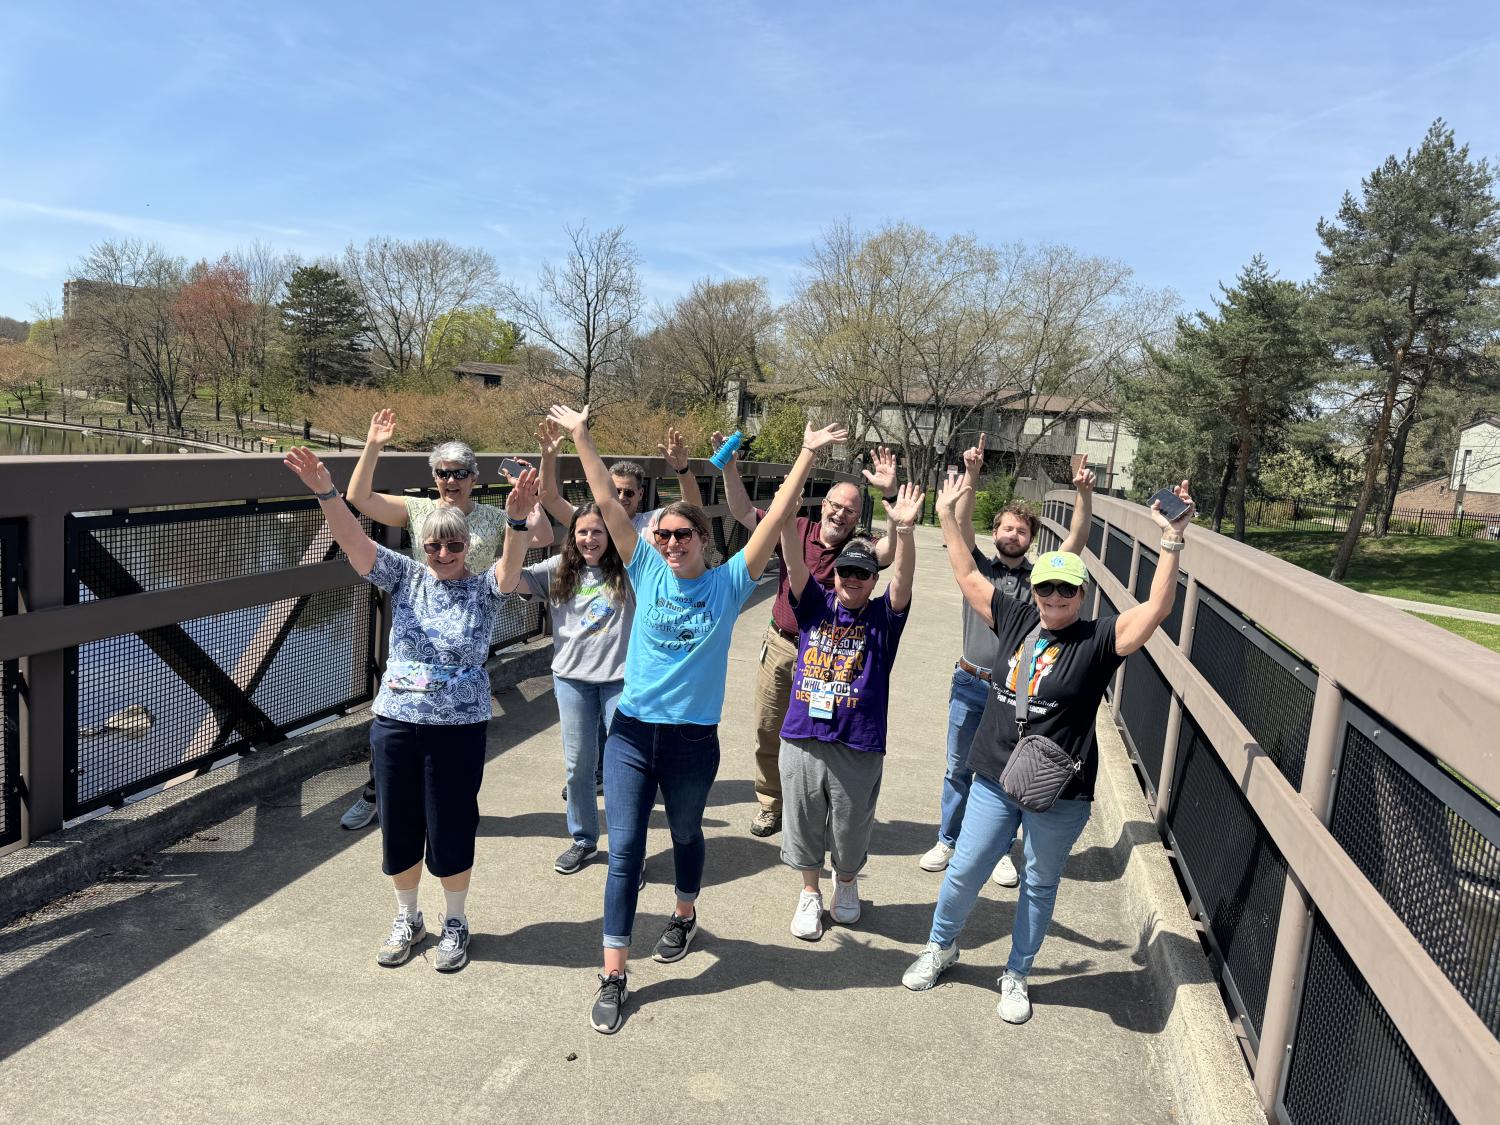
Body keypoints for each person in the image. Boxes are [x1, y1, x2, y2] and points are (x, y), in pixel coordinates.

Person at [546, 402, 847, 1035]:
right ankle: (614, 973)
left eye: (684, 535)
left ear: (702, 543)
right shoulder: (645, 567)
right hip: (630, 734)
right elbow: (605, 496)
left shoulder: (730, 584)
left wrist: (808, 455)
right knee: (625, 851)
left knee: (685, 834)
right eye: (665, 535)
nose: (673, 543)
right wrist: (581, 435)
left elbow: (778, 519)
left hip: (691, 742)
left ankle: (683, 913)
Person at [901, 475, 1196, 1026]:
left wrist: (1172, 542)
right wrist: (945, 514)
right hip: (994, 773)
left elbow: (1155, 609)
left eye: (1066, 591)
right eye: (1045, 589)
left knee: (1039, 883)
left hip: (1060, 789)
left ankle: (1016, 973)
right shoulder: (1014, 617)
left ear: (1081, 596)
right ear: (1033, 590)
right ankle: (940, 947)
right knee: (965, 868)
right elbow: (966, 571)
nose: (1054, 598)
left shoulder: (1098, 641)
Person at [283, 447, 533, 973]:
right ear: (422, 546)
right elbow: (353, 540)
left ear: (469, 547)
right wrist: (327, 492)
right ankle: (408, 917)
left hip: (458, 728)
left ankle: (457, 921)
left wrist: (516, 518)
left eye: (454, 545)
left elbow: (511, 566)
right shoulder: (405, 576)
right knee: (399, 825)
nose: (444, 553)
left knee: (451, 824)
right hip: (396, 722)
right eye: (435, 544)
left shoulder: (486, 589)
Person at [336, 409, 553, 832]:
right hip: (416, 620)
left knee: (453, 720)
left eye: (459, 473)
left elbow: (541, 537)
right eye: (442, 472)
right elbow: (359, 499)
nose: (450, 481)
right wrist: (374, 445)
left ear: (474, 475)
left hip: (467, 622)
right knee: (398, 710)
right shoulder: (419, 510)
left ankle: (447, 808)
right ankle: (376, 794)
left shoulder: (493, 516)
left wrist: (531, 499)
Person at [918, 438, 1094, 889]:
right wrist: (971, 477)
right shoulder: (981, 570)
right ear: (993, 532)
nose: (1012, 535)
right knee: (958, 766)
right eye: (1005, 528)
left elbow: (1075, 542)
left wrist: (1083, 495)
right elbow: (958, 525)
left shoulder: (1043, 581)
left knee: (1009, 774)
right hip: (970, 681)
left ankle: (998, 851)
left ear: (1031, 539)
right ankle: (947, 838)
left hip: (1018, 695)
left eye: (1021, 531)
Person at [712, 430, 898, 838]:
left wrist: (892, 499)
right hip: (781, 643)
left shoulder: (858, 549)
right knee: (767, 726)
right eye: (836, 505)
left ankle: (820, 807)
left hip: (829, 657)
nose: (841, 515)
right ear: (823, 504)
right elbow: (742, 510)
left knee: (822, 734)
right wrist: (729, 468)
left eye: (851, 510)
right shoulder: (795, 525)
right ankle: (770, 802)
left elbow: (890, 553)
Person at [778, 483, 922, 941]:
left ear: (872, 580)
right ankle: (808, 892)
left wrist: (905, 531)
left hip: (857, 742)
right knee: (801, 820)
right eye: (845, 572)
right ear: (834, 574)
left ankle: (846, 883)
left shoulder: (882, 618)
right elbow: (794, 561)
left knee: (850, 825)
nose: (852, 579)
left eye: (862, 573)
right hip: (803, 734)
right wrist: (786, 514)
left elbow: (904, 581)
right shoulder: (815, 606)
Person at [495, 477, 632, 877]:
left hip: (620, 680)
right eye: (583, 532)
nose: (590, 539)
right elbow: (510, 577)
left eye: (598, 532)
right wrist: (518, 525)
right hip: (571, 680)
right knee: (578, 765)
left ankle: (627, 849)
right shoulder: (557, 569)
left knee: (623, 770)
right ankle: (584, 840)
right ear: (572, 536)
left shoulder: (629, 568)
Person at [537, 418, 704, 534]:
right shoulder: (590, 522)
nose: (621, 497)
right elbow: (549, 499)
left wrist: (682, 470)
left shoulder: (652, 523)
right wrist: (548, 458)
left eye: (629, 492)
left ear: (640, 494)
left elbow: (693, 510)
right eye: (616, 491)